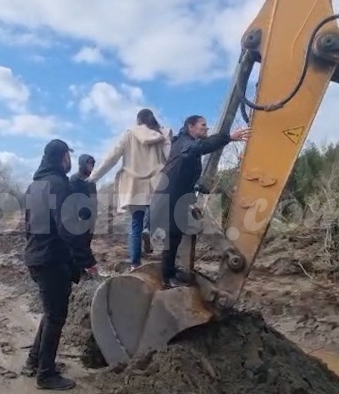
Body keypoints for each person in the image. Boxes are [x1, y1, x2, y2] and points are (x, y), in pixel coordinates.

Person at [23, 139, 96, 390]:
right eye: (68, 156)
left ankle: (35, 361)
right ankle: (46, 374)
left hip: (35, 256)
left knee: (50, 312)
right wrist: (87, 260)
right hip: (52, 259)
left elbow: (28, 226)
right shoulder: (58, 184)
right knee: (56, 316)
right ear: (62, 157)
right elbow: (69, 228)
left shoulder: (34, 186)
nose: (69, 161)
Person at [149, 115, 250, 288]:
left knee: (176, 237)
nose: (206, 128)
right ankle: (167, 277)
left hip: (178, 197)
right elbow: (199, 147)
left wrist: (196, 188)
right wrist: (228, 137)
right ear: (191, 126)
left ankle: (171, 271)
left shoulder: (187, 145)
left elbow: (183, 174)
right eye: (203, 125)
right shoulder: (184, 143)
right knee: (172, 237)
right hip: (169, 198)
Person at [87, 108, 172, 270]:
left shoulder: (130, 134)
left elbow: (112, 157)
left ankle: (135, 263)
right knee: (156, 216)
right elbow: (170, 157)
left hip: (133, 185)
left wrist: (93, 178)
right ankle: (151, 233)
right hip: (156, 182)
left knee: (135, 224)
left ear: (138, 120)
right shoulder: (162, 134)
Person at [69, 154, 99, 277]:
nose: (90, 166)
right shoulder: (74, 179)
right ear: (82, 164)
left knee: (87, 241)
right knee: (78, 242)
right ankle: (79, 269)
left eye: (92, 164)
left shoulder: (91, 181)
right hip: (79, 217)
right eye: (88, 163)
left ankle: (83, 268)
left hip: (90, 217)